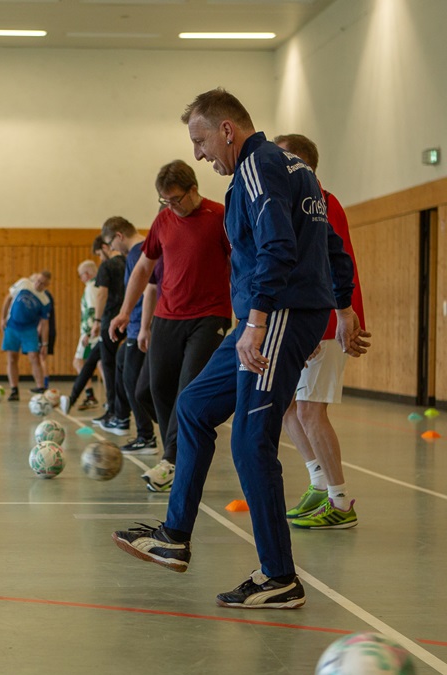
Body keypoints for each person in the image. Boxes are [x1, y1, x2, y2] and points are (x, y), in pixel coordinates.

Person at [112, 87, 363, 610]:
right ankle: (174, 535)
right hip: (284, 314)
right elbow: (332, 247)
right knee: (195, 407)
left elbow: (278, 247)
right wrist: (339, 307)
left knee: (251, 441)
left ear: (227, 129)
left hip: (275, 315)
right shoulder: (298, 169)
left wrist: (259, 322)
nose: (200, 154)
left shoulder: (257, 168)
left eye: (201, 140)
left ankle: (279, 577)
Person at [109, 161, 233, 492]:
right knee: (151, 388)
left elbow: (240, 264)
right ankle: (176, 454)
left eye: (176, 199)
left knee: (187, 389)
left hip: (210, 316)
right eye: (164, 201)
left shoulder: (219, 217)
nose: (171, 207)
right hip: (168, 316)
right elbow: (143, 270)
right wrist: (125, 313)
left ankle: (173, 460)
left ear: (193, 190)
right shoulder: (163, 220)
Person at [275, 133, 369, 530]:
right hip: (304, 317)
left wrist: (326, 322)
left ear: (301, 163)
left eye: (281, 159)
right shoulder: (296, 202)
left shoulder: (322, 203)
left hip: (325, 319)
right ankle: (317, 482)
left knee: (312, 411)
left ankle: (340, 501)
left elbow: (332, 265)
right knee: (288, 407)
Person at [103, 217, 161, 454]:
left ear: (119, 235)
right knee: (121, 368)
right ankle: (133, 424)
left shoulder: (138, 252)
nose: (112, 250)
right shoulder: (138, 251)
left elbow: (150, 289)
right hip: (136, 325)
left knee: (131, 380)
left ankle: (146, 436)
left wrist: (144, 327)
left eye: (110, 243)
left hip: (141, 326)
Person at [0, 270, 55, 401]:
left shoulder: (45, 300)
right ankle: (14, 389)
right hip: (12, 326)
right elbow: (8, 298)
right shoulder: (24, 283)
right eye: (38, 281)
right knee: (12, 357)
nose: (38, 284)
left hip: (29, 330)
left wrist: (45, 344)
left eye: (42, 284)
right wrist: (2, 318)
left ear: (46, 286)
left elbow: (45, 323)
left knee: (34, 357)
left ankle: (40, 387)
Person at [92, 236, 128, 433]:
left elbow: (101, 294)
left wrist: (97, 321)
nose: (100, 258)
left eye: (99, 254)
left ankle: (113, 411)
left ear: (105, 247)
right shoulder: (128, 261)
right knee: (124, 366)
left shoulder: (106, 267)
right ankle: (119, 411)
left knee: (108, 365)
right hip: (128, 319)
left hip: (109, 321)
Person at [60, 257, 102, 415]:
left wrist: (88, 333)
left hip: (90, 332)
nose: (81, 278)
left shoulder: (91, 287)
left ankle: (90, 396)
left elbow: (92, 310)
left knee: (79, 362)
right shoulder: (98, 286)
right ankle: (111, 398)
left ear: (87, 274)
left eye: (80, 275)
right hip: (94, 331)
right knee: (101, 363)